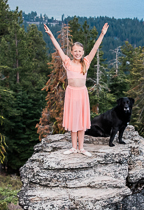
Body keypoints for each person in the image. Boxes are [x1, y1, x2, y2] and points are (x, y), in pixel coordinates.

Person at [43, 22, 109, 156]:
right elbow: (58, 49)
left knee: (81, 120)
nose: (78, 53)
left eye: (80, 51)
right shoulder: (67, 62)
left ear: (83, 52)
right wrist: (51, 35)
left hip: (82, 94)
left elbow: (95, 48)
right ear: (72, 52)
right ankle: (74, 147)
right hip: (71, 93)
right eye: (75, 51)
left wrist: (102, 34)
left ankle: (81, 148)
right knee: (74, 120)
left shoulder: (86, 62)